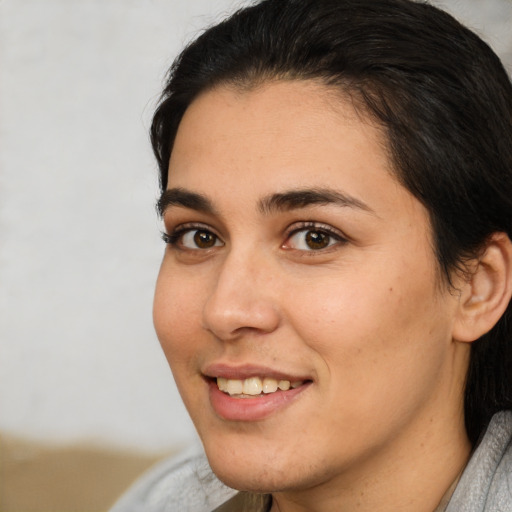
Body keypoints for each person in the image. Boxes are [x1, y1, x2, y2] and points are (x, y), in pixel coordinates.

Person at [111, 0, 512, 510]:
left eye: (315, 238)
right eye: (198, 236)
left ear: (479, 285)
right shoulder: (160, 501)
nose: (225, 310)